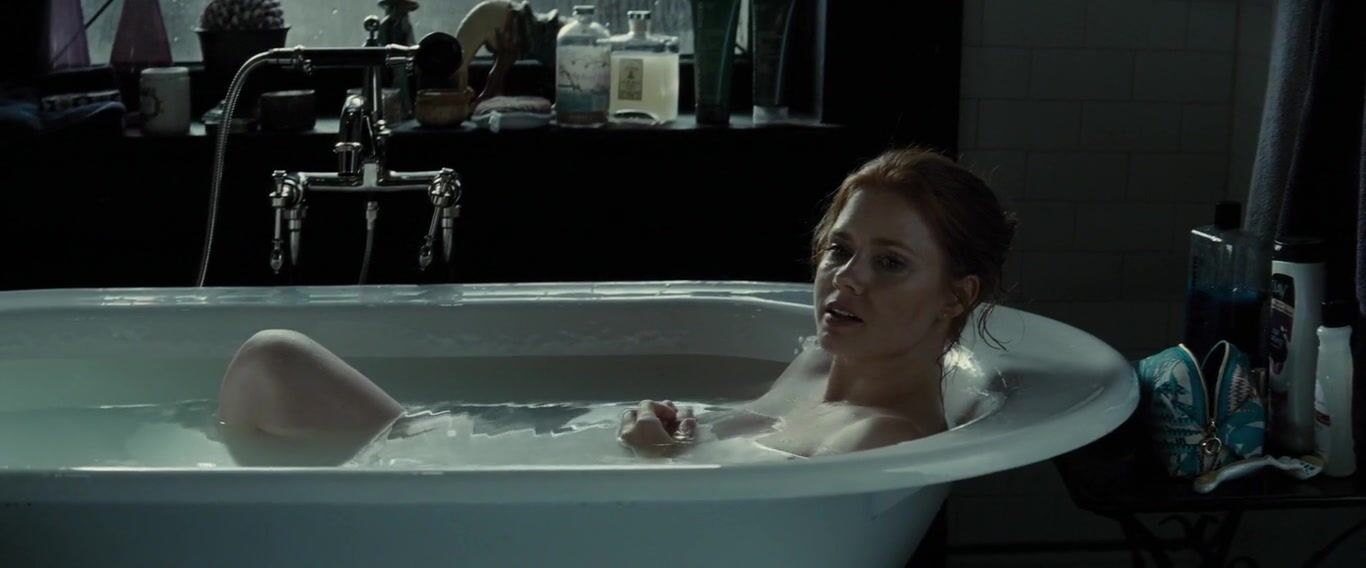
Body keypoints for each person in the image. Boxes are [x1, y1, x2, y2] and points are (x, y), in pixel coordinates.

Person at [216, 146, 1017, 463]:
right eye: (839, 250)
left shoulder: (880, 438)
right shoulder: (820, 360)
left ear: (958, 294)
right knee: (270, 361)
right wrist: (674, 432)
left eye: (889, 264)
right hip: (523, 469)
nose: (846, 279)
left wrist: (655, 457)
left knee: (271, 370)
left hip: (535, 507)